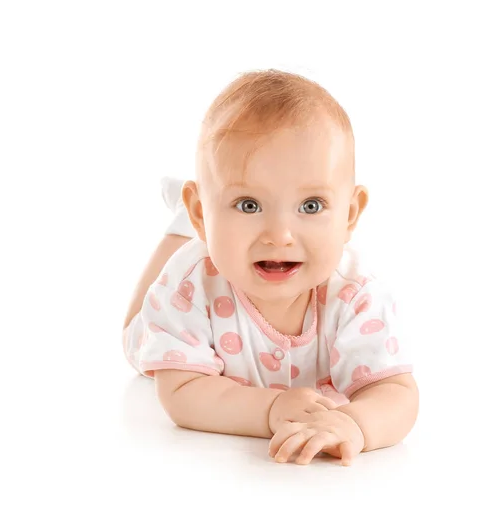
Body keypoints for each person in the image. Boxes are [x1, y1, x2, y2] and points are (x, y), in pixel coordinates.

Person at [122, 69, 419, 466]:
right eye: (248, 205)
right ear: (202, 209)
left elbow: (396, 392)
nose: (279, 235)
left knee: (219, 239)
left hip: (220, 239)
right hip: (178, 294)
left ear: (349, 215)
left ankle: (214, 220)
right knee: (133, 334)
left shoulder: (355, 295)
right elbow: (182, 393)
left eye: (310, 206)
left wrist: (355, 425)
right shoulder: (188, 285)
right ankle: (184, 226)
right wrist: (270, 409)